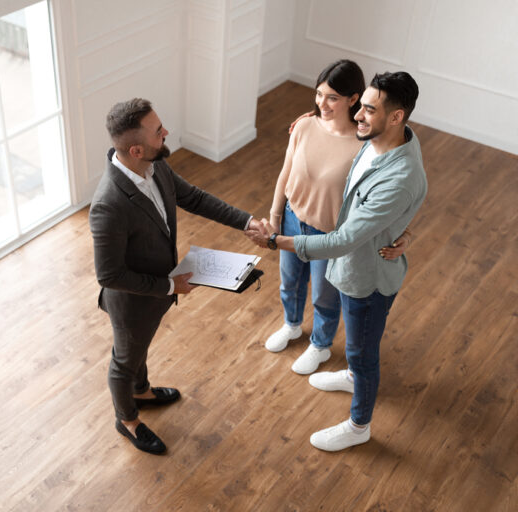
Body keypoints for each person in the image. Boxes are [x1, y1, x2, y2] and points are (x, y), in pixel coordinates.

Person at [246, 71, 427, 451]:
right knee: (355, 346)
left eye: (368, 110)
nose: (358, 116)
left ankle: (359, 425)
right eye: (359, 107)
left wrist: (275, 240)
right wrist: (403, 228)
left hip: (367, 276)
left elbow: (345, 237)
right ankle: (349, 375)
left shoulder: (399, 176)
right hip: (349, 264)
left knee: (363, 352)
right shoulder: (387, 138)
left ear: (396, 117)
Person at [90, 98, 260, 454]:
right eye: (158, 132)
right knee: (124, 360)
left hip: (159, 291)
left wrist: (246, 222)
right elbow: (108, 275)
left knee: (138, 350)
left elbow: (194, 198)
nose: (165, 133)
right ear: (136, 148)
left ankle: (142, 390)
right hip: (134, 302)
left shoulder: (155, 167)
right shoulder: (108, 205)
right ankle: (128, 419)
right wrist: (169, 285)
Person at [265, 60, 411, 376]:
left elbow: (389, 192)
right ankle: (291, 325)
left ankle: (320, 345)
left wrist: (405, 233)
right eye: (319, 94)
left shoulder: (367, 145)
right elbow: (285, 173)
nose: (322, 103)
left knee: (324, 296)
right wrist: (276, 216)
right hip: (293, 218)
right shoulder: (304, 126)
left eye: (332, 97)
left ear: (353, 99)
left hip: (329, 235)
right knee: (289, 283)